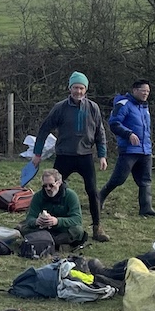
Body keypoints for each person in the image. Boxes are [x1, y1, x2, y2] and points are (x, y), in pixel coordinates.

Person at [31, 72, 110, 241]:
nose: (78, 91)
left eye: (81, 88)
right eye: (75, 88)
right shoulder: (60, 108)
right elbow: (44, 129)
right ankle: (44, 221)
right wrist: (37, 154)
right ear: (70, 88)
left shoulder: (93, 108)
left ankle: (97, 228)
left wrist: (102, 155)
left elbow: (100, 132)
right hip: (64, 156)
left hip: (85, 156)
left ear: (86, 89)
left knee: (92, 191)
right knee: (51, 188)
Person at [100, 79, 155, 217]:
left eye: (148, 91)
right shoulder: (123, 104)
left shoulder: (145, 108)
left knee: (145, 181)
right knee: (118, 179)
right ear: (134, 90)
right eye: (143, 91)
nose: (146, 94)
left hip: (145, 150)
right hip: (129, 150)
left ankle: (146, 209)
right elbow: (114, 123)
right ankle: (99, 197)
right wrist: (129, 134)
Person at [20, 168, 85, 247]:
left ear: (59, 183)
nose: (48, 188)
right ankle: (53, 243)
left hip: (63, 230)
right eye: (45, 186)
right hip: (44, 229)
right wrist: (37, 221)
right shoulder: (38, 196)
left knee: (78, 230)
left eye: (51, 185)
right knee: (23, 227)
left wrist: (57, 221)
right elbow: (30, 217)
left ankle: (44, 241)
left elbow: (77, 219)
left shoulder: (70, 195)